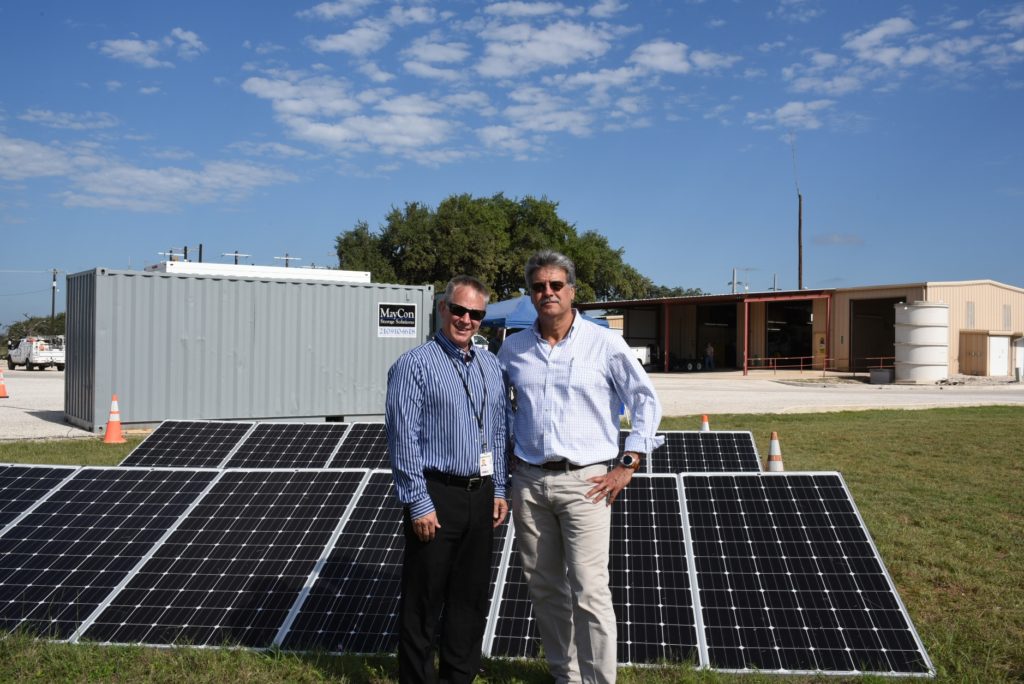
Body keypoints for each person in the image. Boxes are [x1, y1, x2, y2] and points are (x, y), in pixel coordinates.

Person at [498, 250, 663, 684]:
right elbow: (497, 411)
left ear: (572, 291)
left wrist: (628, 462)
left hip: (587, 483)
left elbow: (645, 400)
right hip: (530, 483)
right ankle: (565, 676)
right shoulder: (512, 348)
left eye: (556, 285)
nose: (547, 292)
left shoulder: (604, 343)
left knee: (590, 590)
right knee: (545, 588)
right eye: (539, 286)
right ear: (530, 293)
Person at [385, 275, 509, 684]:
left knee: (469, 599)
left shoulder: (491, 365)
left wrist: (501, 489)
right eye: (458, 310)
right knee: (424, 599)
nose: (466, 320)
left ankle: (459, 676)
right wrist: (418, 501)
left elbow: (498, 430)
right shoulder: (414, 365)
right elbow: (403, 439)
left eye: (475, 314)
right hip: (436, 495)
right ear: (443, 309)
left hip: (481, 494)